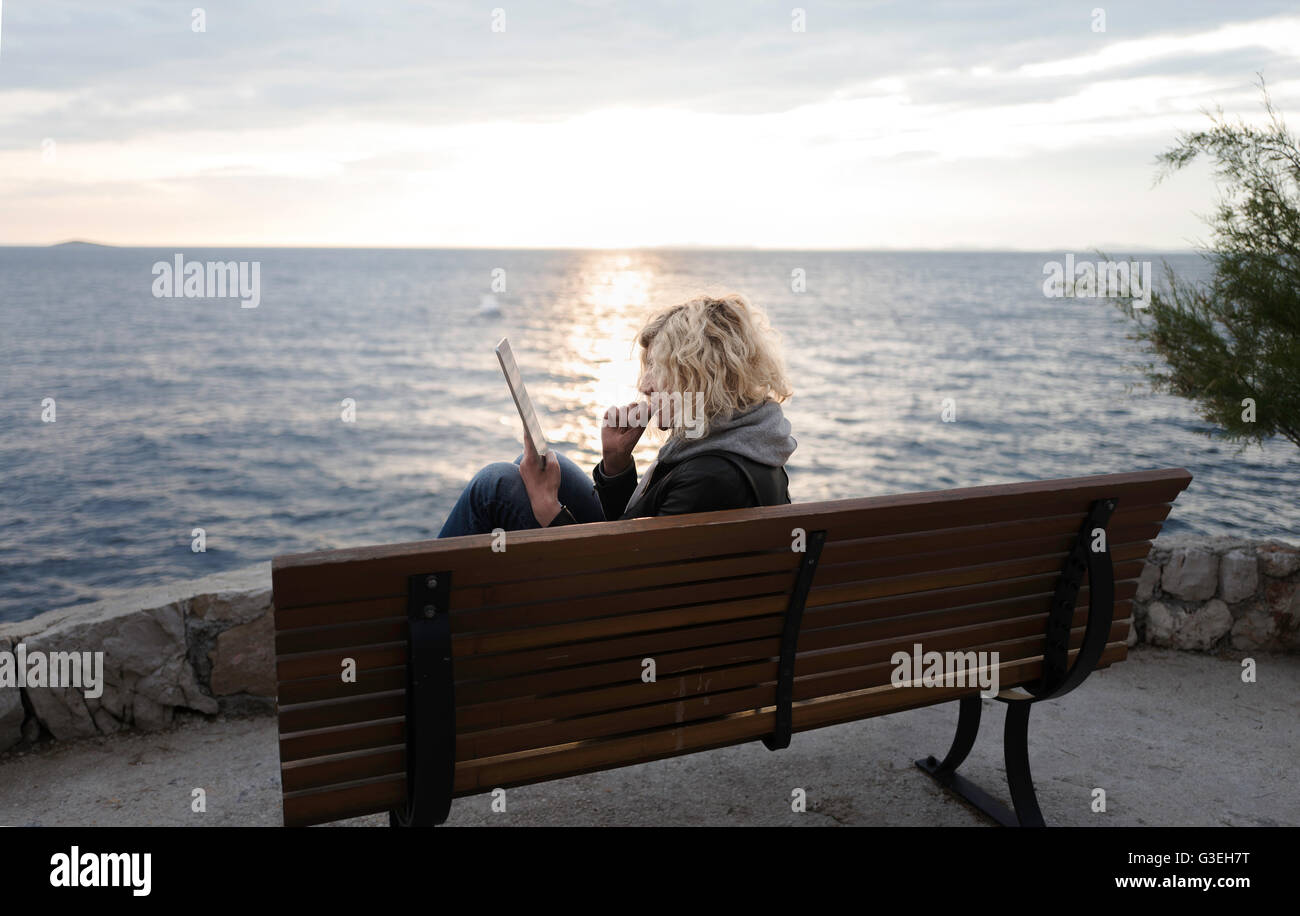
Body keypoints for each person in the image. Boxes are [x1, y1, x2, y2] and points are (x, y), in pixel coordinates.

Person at [437, 293, 796, 538]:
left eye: (657, 367)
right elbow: (636, 533)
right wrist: (616, 464)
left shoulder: (711, 478)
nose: (645, 385)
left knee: (495, 486)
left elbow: (618, 583)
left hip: (628, 619)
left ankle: (423, 613)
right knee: (540, 465)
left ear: (698, 374)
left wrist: (547, 507)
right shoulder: (745, 440)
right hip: (645, 582)